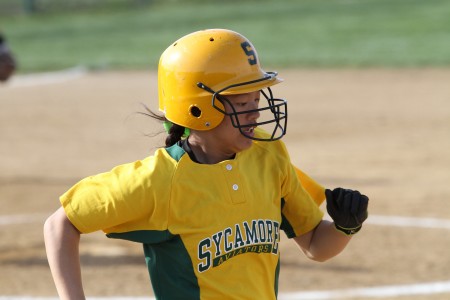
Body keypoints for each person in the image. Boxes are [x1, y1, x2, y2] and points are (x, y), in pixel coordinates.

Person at [44, 29, 369, 300]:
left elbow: (315, 245)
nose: (255, 112)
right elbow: (60, 224)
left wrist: (346, 226)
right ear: (197, 110)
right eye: (243, 103)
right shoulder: (159, 180)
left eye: (257, 99)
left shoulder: (268, 155)